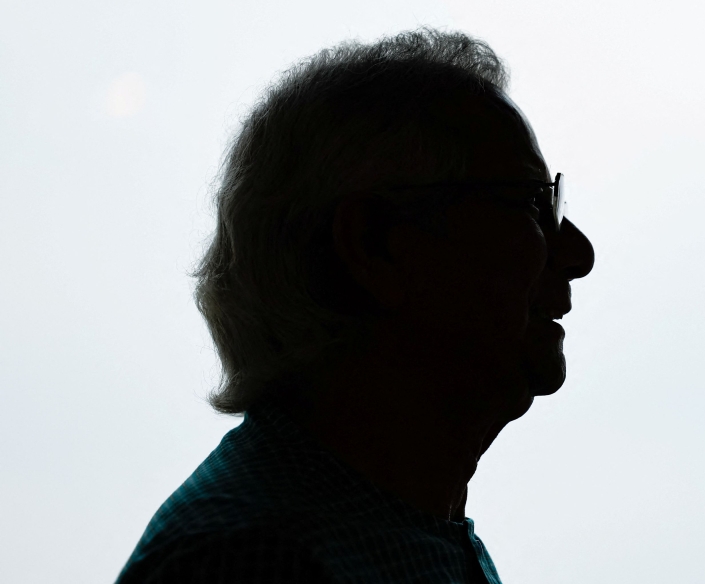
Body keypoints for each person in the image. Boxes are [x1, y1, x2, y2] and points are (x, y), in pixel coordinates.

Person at [116, 29, 595, 584]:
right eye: (531, 205)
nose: (579, 253)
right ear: (376, 244)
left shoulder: (404, 529)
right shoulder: (251, 563)